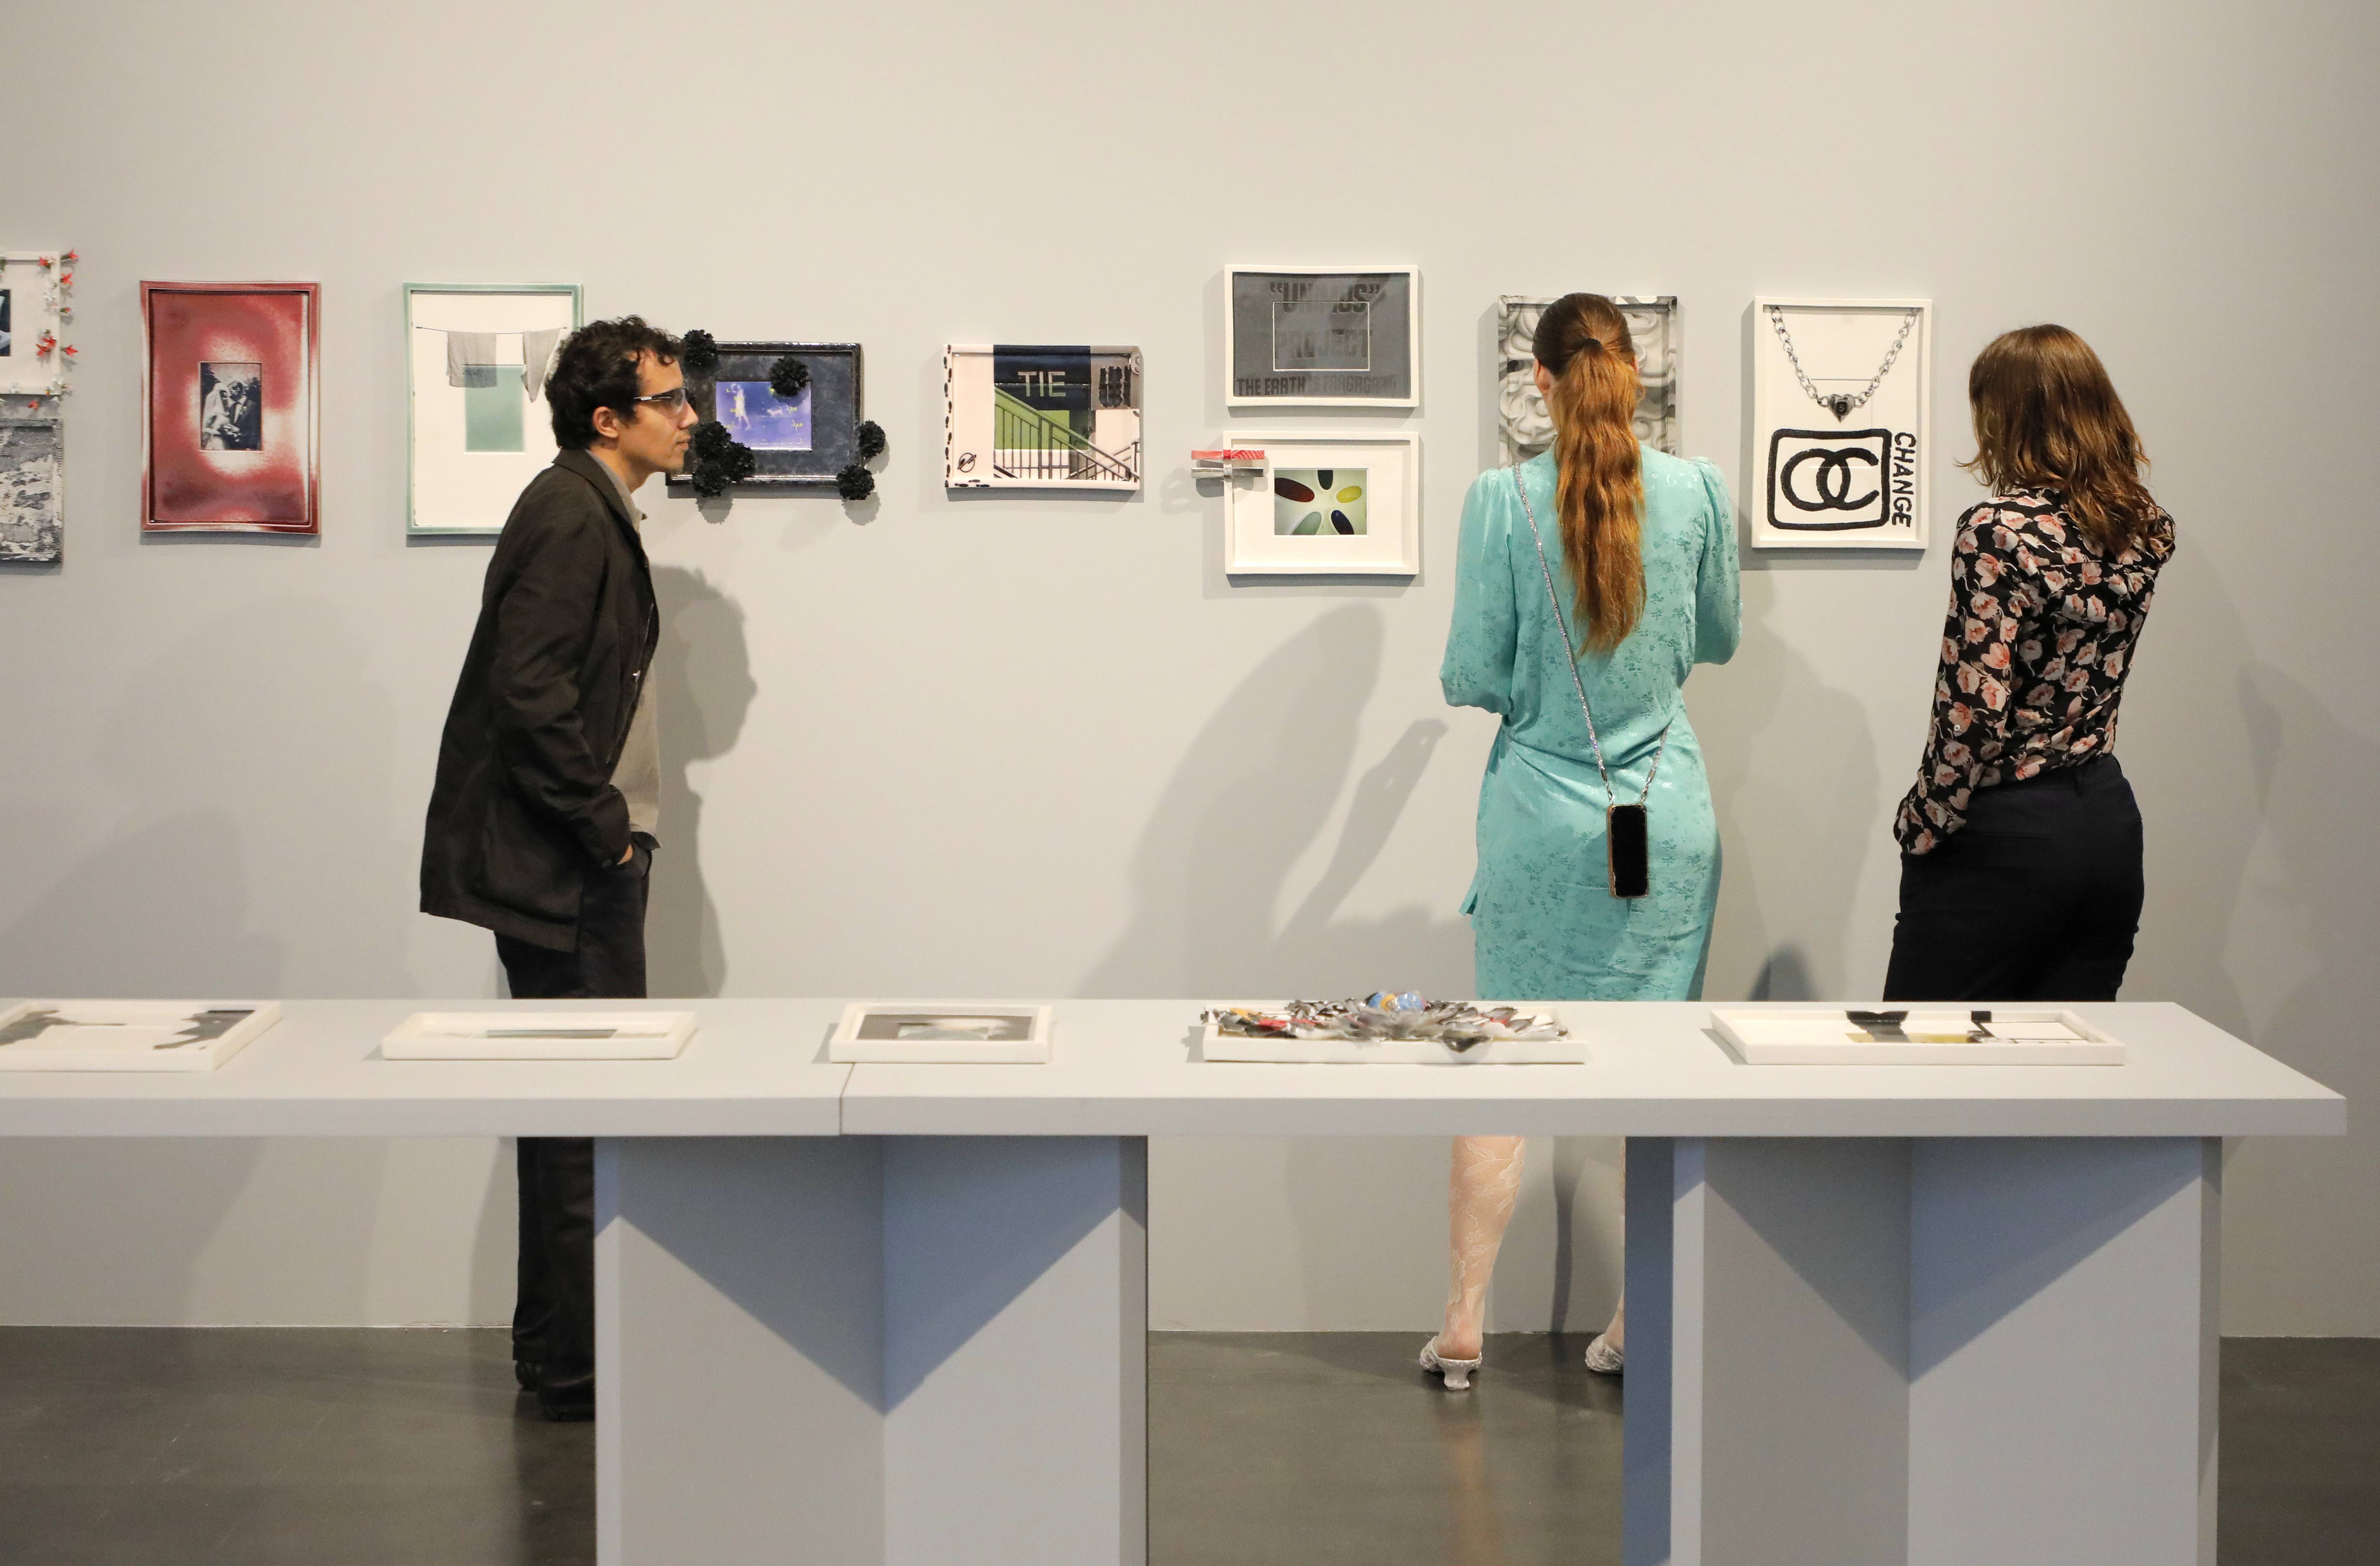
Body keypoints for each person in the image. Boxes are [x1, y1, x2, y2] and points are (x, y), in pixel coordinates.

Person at [1425, 294, 1740, 1389]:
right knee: (1658, 1073)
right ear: (1635, 374)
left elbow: (1469, 672)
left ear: (1542, 381)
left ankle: (1465, 1324)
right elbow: (1717, 640)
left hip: (1541, 821)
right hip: (1665, 809)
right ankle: (1640, 1314)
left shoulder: (1500, 501)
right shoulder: (1699, 491)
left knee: (1501, 1068)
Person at [419, 317, 695, 1420]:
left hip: (572, 859)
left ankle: (562, 1356)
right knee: (584, 1116)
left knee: (569, 1111)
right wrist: (605, 830)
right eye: (669, 400)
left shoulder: (588, 508)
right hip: (569, 867)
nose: (689, 417)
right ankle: (577, 1369)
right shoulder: (572, 514)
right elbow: (527, 692)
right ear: (608, 418)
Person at [1884, 326, 2173, 1000]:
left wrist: (1924, 820)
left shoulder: (1998, 530)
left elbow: (1974, 709)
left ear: (2007, 416)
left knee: (1922, 1051)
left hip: (2005, 827)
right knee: (2065, 1054)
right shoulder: (2145, 526)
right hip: (2106, 822)